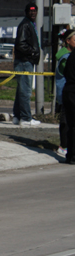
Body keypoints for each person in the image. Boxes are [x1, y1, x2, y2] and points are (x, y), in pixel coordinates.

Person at [12, 3, 41, 126]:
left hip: (25, 61)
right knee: (25, 91)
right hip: (24, 62)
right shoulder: (25, 25)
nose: (33, 13)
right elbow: (20, 44)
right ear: (26, 12)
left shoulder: (29, 24)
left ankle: (17, 116)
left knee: (21, 90)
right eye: (30, 11)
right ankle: (26, 118)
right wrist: (32, 52)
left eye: (35, 11)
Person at [54, 28, 71, 157]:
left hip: (69, 93)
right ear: (68, 41)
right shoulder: (65, 58)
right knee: (66, 121)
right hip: (66, 94)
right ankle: (63, 146)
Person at [60, 29, 75, 165]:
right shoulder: (67, 56)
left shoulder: (70, 56)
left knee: (70, 125)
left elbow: (65, 73)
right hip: (72, 92)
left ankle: (70, 155)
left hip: (68, 91)